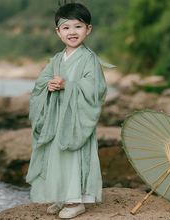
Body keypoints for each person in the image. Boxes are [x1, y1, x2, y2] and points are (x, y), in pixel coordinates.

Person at [26, 1, 115, 218]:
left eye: (78, 26)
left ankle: (75, 201)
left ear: (88, 29)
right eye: (66, 27)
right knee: (56, 155)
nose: (72, 32)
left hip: (76, 120)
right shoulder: (56, 59)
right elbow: (42, 80)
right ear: (58, 32)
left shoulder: (89, 59)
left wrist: (68, 85)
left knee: (73, 156)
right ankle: (61, 196)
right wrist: (49, 85)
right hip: (57, 119)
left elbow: (96, 88)